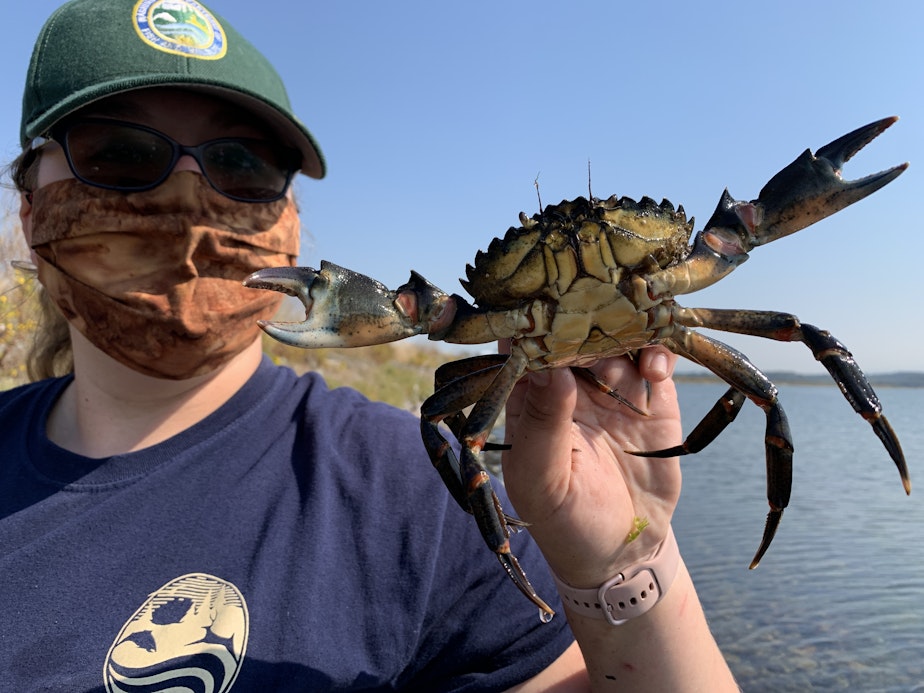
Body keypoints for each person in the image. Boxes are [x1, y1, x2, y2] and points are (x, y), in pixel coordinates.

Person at [0, 1, 738, 690]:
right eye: (122, 154)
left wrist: (627, 562)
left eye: (242, 164)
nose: (191, 192)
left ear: (289, 216)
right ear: (28, 207)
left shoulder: (418, 488)